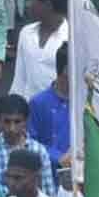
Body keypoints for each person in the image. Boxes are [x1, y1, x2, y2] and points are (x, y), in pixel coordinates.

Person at [0, 92, 56, 197]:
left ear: (25, 121)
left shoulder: (39, 151)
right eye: (7, 122)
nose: (12, 128)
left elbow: (48, 193)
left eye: (17, 122)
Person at [12, 0, 69, 101]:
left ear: (48, 5)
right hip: (27, 112)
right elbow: (20, 78)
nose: (28, 4)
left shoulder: (72, 39)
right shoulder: (26, 33)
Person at [28, 41, 71, 169]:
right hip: (46, 174)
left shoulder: (87, 105)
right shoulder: (38, 102)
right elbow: (29, 142)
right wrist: (57, 157)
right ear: (66, 70)